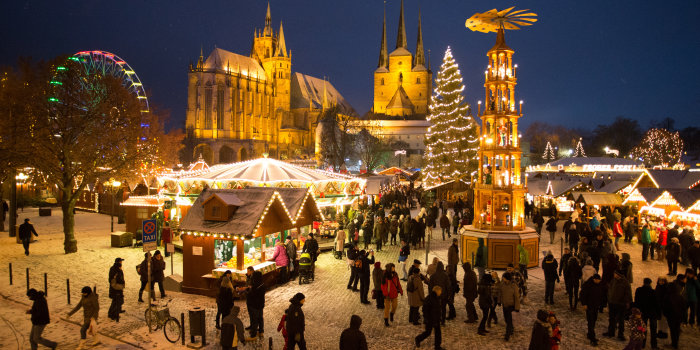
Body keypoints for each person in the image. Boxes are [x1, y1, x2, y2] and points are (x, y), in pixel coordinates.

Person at [603, 269, 632, 341]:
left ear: (619, 275)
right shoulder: (613, 280)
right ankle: (611, 332)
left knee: (621, 320)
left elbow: (628, 294)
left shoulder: (625, 282)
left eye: (615, 273)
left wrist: (626, 302)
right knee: (611, 319)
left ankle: (620, 334)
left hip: (621, 304)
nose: (614, 274)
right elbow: (610, 289)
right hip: (612, 303)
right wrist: (609, 298)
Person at [415, 286, 445, 350]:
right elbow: (425, 309)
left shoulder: (436, 298)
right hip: (430, 319)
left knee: (438, 333)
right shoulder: (430, 298)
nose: (441, 293)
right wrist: (427, 319)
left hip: (436, 319)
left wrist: (439, 317)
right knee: (428, 332)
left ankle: (437, 346)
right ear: (437, 291)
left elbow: (437, 309)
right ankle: (418, 339)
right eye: (440, 291)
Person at [634, 277, 659, 349]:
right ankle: (654, 345)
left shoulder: (639, 290)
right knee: (653, 330)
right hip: (652, 313)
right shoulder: (653, 292)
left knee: (642, 329)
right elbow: (656, 303)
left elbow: (636, 302)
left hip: (643, 312)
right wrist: (658, 313)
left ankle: (642, 344)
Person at [580, 274, 604, 346]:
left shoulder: (599, 285)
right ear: (594, 279)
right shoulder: (587, 285)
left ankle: (589, 334)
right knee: (590, 321)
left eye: (599, 280)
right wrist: (584, 304)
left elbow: (601, 294)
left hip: (596, 306)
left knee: (593, 320)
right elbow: (582, 294)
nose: (598, 281)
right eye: (597, 280)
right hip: (589, 306)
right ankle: (592, 338)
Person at [664, 274, 686, 349]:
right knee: (676, 330)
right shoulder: (680, 297)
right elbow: (684, 308)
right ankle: (675, 343)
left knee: (673, 331)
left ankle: (674, 344)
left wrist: (666, 314)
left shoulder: (667, 297)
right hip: (679, 317)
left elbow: (666, 308)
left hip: (671, 317)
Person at [499, 272, 521, 341]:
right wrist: (499, 301)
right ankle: (511, 329)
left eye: (504, 277)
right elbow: (500, 293)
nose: (502, 278)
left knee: (508, 320)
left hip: (511, 305)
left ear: (507, 278)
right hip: (504, 305)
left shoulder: (513, 286)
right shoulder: (502, 284)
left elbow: (517, 297)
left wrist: (517, 307)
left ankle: (507, 335)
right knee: (506, 319)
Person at [246, 271, 266, 338]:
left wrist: (248, 292)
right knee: (260, 318)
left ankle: (253, 334)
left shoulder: (255, 286)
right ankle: (261, 331)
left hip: (254, 305)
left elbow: (252, 295)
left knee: (254, 320)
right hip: (260, 304)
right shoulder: (262, 284)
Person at [107, 257, 125, 322]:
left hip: (118, 288)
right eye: (121, 261)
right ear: (118, 262)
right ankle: (112, 314)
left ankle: (117, 311)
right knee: (115, 301)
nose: (121, 262)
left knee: (119, 301)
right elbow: (112, 279)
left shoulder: (117, 268)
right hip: (115, 288)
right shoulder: (115, 269)